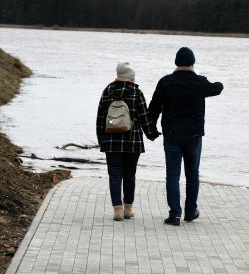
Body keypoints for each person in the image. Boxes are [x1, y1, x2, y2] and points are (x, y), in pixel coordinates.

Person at [149, 47, 224, 226]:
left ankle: (174, 214)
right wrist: (219, 84)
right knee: (192, 175)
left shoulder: (166, 82)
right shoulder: (200, 82)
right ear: (192, 62)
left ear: (176, 62)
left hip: (172, 135)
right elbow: (217, 88)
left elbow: (154, 109)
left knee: (173, 176)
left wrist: (150, 130)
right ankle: (190, 212)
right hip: (194, 136)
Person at [96, 62, 159, 221]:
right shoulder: (136, 92)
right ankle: (128, 209)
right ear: (131, 77)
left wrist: (101, 140)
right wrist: (152, 134)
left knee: (114, 174)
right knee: (129, 174)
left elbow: (100, 118)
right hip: (133, 142)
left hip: (111, 141)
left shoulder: (107, 90)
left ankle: (117, 211)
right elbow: (144, 117)